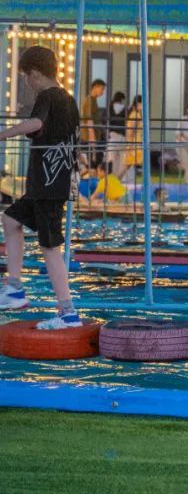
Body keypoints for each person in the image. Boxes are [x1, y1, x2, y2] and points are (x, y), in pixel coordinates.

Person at [0, 46, 82, 329]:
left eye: (25, 77)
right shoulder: (67, 100)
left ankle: (68, 312)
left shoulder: (48, 96)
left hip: (48, 186)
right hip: (48, 185)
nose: (26, 82)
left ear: (34, 74)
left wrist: (3, 134)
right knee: (10, 219)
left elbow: (35, 122)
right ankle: (14, 289)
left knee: (50, 247)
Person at [80, 79, 106, 166]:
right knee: (92, 165)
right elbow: (89, 121)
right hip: (89, 138)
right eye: (102, 89)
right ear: (95, 87)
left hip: (93, 138)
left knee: (93, 164)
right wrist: (93, 142)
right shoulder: (89, 101)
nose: (102, 92)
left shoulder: (93, 101)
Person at [105, 91, 128, 181]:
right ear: (122, 99)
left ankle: (111, 178)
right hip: (122, 136)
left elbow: (105, 121)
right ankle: (119, 178)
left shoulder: (109, 108)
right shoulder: (125, 109)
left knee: (111, 158)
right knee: (122, 159)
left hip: (112, 136)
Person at [124, 95, 143, 181]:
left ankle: (126, 179)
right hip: (133, 143)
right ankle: (121, 179)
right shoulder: (135, 115)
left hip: (135, 142)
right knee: (128, 164)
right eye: (142, 104)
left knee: (130, 164)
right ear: (138, 104)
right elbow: (131, 131)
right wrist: (130, 145)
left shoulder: (135, 114)